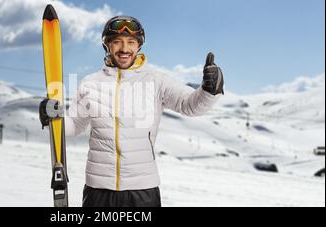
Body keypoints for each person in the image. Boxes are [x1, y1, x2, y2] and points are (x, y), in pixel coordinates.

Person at [40, 16, 224, 207]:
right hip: (99, 191)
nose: (124, 49)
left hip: (143, 192)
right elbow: (73, 126)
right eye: (117, 42)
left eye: (131, 42)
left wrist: (209, 91)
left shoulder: (156, 80)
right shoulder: (90, 83)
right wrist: (54, 117)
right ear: (107, 46)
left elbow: (190, 105)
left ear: (138, 46)